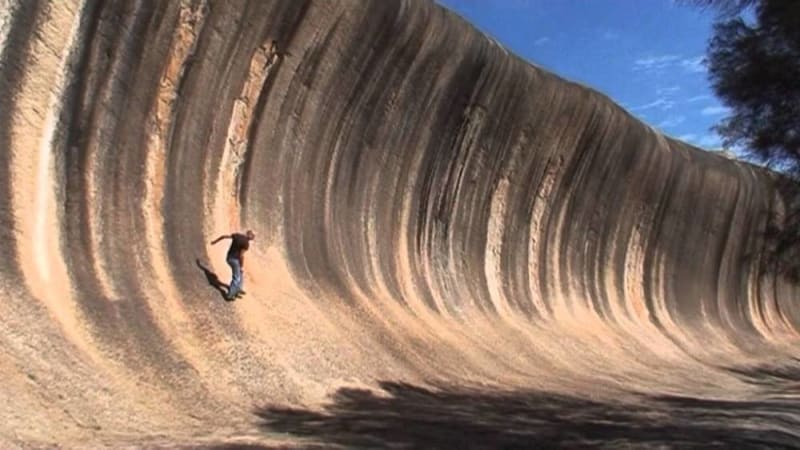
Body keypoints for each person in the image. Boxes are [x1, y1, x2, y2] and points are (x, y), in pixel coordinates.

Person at [210, 230, 255, 300]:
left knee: (240, 273)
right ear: (250, 237)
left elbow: (224, 237)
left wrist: (214, 242)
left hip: (229, 258)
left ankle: (238, 288)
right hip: (235, 260)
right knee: (236, 277)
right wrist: (241, 266)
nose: (253, 238)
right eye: (253, 236)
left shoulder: (237, 236)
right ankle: (230, 294)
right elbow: (241, 255)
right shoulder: (246, 243)